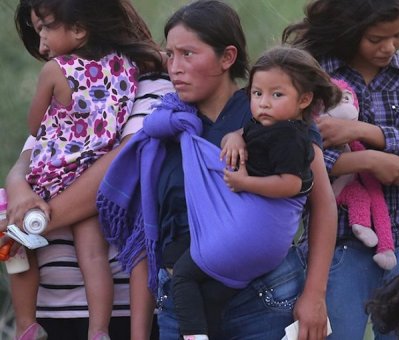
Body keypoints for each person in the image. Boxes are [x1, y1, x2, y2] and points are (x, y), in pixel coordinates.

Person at [98, 2, 336, 339]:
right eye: (170, 55)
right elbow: (150, 227)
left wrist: (315, 295)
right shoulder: (165, 130)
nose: (175, 67)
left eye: (188, 54)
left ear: (227, 57)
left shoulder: (269, 114)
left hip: (262, 300)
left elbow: (322, 203)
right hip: (183, 306)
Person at [282, 0, 399, 338]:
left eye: (398, 35)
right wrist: (364, 161)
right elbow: (290, 154)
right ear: (351, 31)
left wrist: (365, 133)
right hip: (338, 247)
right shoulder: (314, 77)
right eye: (376, 39)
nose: (388, 47)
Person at [2, 0, 170, 339]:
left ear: (79, 28)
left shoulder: (153, 83)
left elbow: (119, 165)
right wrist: (20, 191)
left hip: (126, 310)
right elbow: (27, 157)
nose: (42, 45)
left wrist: (26, 223)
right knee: (89, 254)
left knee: (15, 250)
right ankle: (94, 330)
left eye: (45, 29)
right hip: (56, 305)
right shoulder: (126, 74)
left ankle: (24, 324)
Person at [151, 46, 339, 340]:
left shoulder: (291, 136)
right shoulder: (259, 125)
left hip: (249, 258)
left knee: (185, 278)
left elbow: (294, 184)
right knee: (210, 297)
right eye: (257, 94)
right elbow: (249, 133)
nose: (263, 103)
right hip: (247, 256)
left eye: (277, 95)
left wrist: (244, 183)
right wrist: (234, 137)